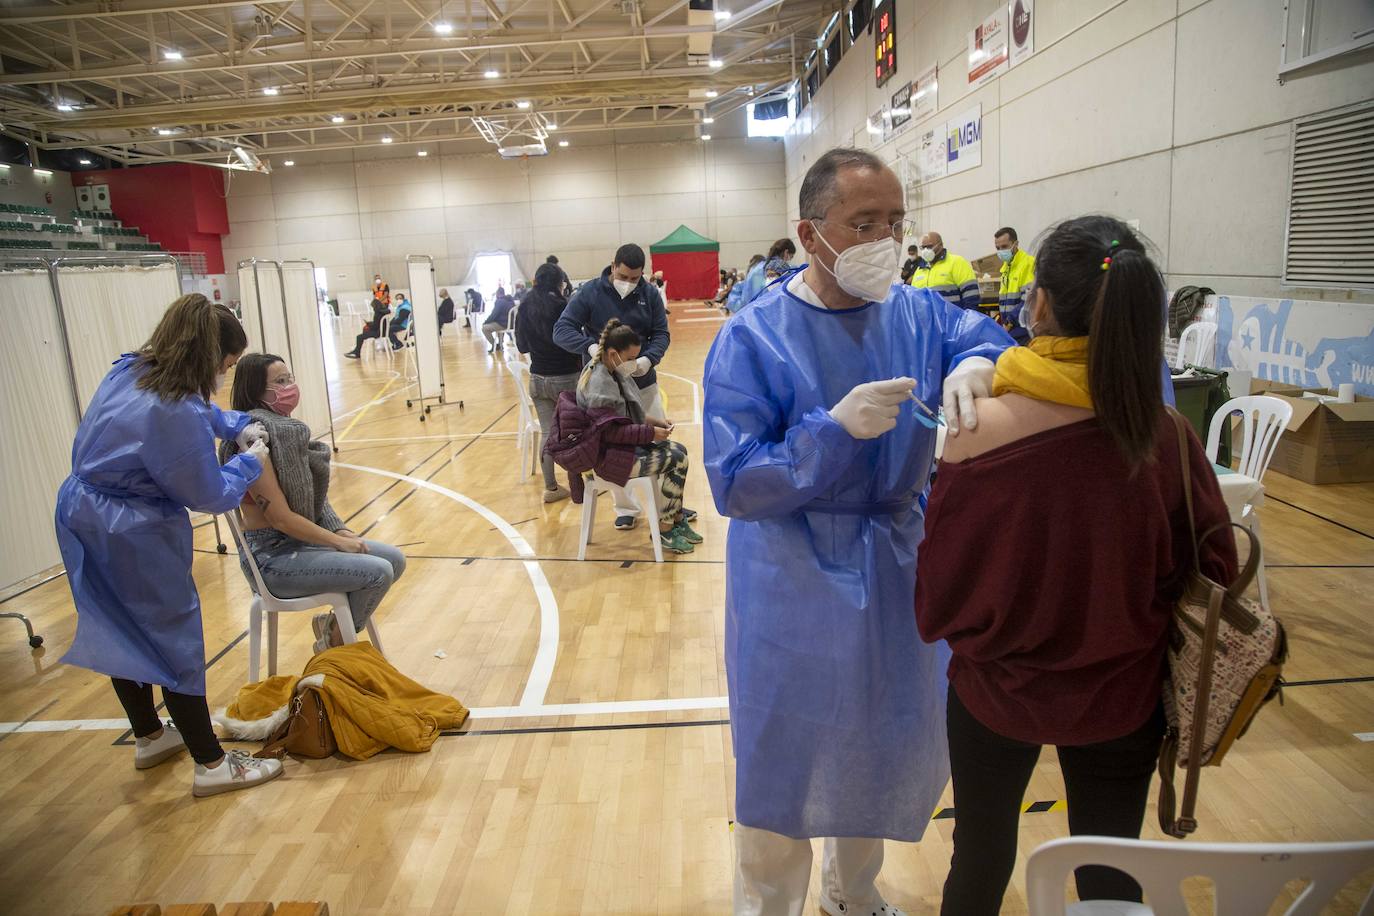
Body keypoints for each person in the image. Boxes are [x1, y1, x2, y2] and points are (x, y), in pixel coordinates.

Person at [702, 147, 1012, 916]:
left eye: (896, 222)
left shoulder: (914, 312)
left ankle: (852, 897)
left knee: (872, 741)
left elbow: (983, 332)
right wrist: (830, 432)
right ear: (811, 235)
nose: (887, 240)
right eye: (864, 223)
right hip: (788, 570)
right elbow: (734, 481)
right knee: (784, 755)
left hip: (894, 556)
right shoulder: (754, 336)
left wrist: (978, 358)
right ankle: (769, 906)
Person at [914, 216, 1238, 915]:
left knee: (979, 857)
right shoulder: (1170, 435)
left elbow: (938, 597)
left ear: (1035, 304)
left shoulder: (976, 432)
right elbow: (1217, 564)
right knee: (1111, 871)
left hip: (998, 689)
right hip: (1125, 691)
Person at [54, 294, 283, 797]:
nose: (223, 376)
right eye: (224, 365)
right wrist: (251, 459)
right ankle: (211, 763)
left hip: (81, 509)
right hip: (131, 528)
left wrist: (231, 423)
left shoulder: (133, 368)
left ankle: (150, 737)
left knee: (120, 628)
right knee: (174, 636)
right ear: (207, 357)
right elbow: (209, 494)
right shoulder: (173, 408)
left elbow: (195, 409)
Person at [222, 353, 408, 655]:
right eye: (280, 382)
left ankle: (330, 632)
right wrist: (335, 541)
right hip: (272, 557)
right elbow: (281, 519)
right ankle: (332, 650)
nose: (290, 387)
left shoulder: (286, 433)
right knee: (377, 573)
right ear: (257, 392)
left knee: (394, 560)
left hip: (300, 545)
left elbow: (311, 496)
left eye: (289, 379)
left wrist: (341, 531)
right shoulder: (253, 443)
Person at [554, 242, 671, 531]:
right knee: (616, 449)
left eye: (635, 279)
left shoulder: (650, 294)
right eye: (624, 276)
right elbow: (562, 330)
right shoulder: (590, 293)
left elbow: (661, 333)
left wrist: (647, 360)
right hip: (605, 392)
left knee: (659, 442)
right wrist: (590, 346)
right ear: (613, 266)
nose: (629, 284)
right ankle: (626, 508)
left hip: (643, 384)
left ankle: (666, 508)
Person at [577, 319, 700, 554]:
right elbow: (610, 431)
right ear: (614, 354)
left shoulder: (611, 369)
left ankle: (674, 520)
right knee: (678, 459)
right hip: (606, 459)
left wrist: (655, 422)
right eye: (631, 358)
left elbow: (629, 415)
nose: (634, 363)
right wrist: (650, 432)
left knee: (679, 450)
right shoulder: (600, 384)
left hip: (620, 449)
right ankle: (665, 531)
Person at [515, 263, 582, 502]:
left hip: (537, 378)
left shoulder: (524, 307)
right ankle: (578, 485)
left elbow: (521, 346)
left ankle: (551, 488)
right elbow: (575, 342)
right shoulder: (563, 306)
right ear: (559, 282)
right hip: (565, 377)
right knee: (574, 431)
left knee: (547, 432)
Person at [909, 231, 980, 311]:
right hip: (927, 322)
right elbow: (914, 299)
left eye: (929, 247)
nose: (926, 250)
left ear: (940, 245)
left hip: (952, 321)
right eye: (923, 247)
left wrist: (967, 319)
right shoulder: (919, 270)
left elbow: (971, 294)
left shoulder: (957, 262)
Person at [994, 226, 1036, 344]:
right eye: (998, 248)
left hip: (1023, 330)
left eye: (1004, 247)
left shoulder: (1027, 264)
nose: (1001, 251)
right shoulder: (1006, 268)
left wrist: (1009, 322)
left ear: (1015, 244)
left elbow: (1028, 300)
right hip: (1010, 330)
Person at [736, 237, 796, 309]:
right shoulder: (781, 265)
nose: (789, 259)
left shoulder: (765, 265)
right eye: (791, 256)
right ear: (786, 252)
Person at [345, 293, 391, 358]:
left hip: (378, 333)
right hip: (384, 331)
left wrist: (368, 324)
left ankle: (357, 352)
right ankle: (356, 350)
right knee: (364, 333)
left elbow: (375, 326)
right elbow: (378, 323)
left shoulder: (377, 314)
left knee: (359, 336)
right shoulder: (385, 311)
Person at [483, 287, 516, 353]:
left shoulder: (499, 301)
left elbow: (493, 315)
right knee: (496, 324)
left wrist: (485, 322)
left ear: (498, 294)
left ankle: (495, 345)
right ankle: (500, 344)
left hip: (503, 324)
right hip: (512, 324)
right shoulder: (510, 300)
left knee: (484, 328)